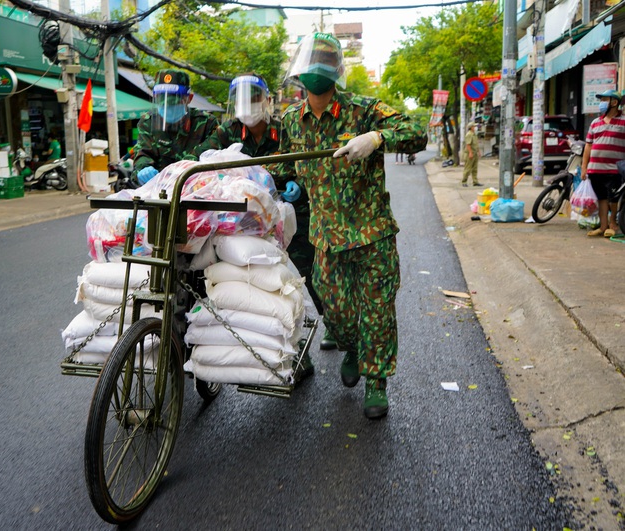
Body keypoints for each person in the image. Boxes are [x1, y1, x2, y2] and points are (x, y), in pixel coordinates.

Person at [279, 33, 427, 419]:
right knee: (339, 318)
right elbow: (282, 163)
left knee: (378, 313)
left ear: (336, 71)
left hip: (372, 234)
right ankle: (353, 348)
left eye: (324, 64)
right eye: (311, 64)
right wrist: (248, 177)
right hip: (328, 241)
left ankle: (376, 384)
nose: (316, 72)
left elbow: (416, 133)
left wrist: (378, 137)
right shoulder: (292, 120)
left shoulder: (364, 110)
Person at [195, 73, 334, 353]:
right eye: (243, 99)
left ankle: (331, 319)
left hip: (288, 208)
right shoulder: (227, 132)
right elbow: (202, 159)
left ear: (267, 101)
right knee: (262, 276)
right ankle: (286, 340)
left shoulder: (285, 129)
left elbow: (306, 162)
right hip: (244, 217)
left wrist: (299, 183)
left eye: (254, 97)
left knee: (311, 269)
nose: (248, 105)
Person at [132, 69, 219, 184]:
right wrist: (143, 169)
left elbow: (214, 161)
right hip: (157, 189)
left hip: (195, 189)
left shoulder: (206, 123)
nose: (167, 107)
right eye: (162, 102)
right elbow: (142, 153)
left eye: (174, 102)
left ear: (189, 98)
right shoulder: (148, 122)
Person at [580, 89, 625, 238]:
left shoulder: (624, 121)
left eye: (605, 99)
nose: (601, 103)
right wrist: (584, 167)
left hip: (615, 169)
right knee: (601, 198)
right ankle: (603, 226)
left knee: (613, 198)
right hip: (595, 169)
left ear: (614, 102)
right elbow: (588, 146)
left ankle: (613, 224)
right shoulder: (595, 122)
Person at [462, 123, 482, 187]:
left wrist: (478, 151)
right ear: (471, 127)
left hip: (475, 153)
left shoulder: (474, 134)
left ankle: (475, 182)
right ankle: (464, 181)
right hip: (469, 154)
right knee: (468, 168)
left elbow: (476, 144)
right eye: (474, 126)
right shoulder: (469, 134)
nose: (475, 127)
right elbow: (468, 144)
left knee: (475, 168)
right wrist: (470, 153)